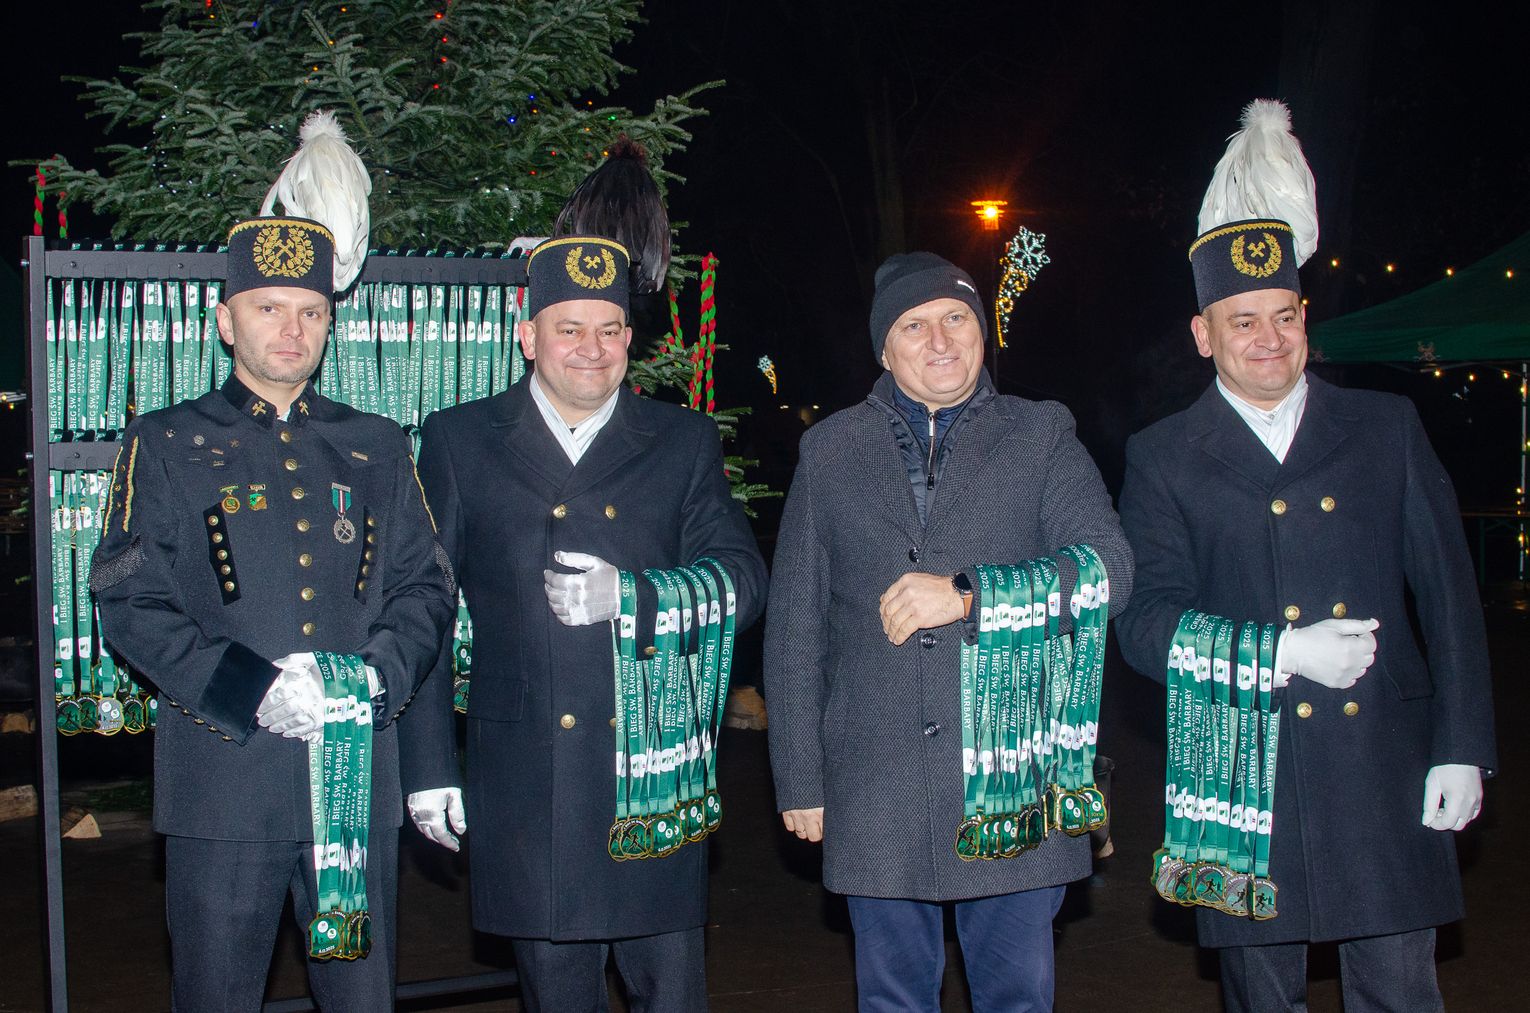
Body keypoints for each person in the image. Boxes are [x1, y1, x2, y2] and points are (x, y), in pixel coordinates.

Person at [1115, 100, 1497, 1012]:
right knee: (1263, 999)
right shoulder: (1162, 456)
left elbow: (1449, 595)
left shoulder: (1385, 427)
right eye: (1243, 320)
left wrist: (1462, 748)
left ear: (1305, 319)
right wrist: (1279, 652)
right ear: (1204, 334)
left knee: (1400, 992)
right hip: (1243, 774)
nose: (1269, 339)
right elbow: (1144, 624)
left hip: (1382, 763)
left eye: (1284, 316)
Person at [91, 216, 456, 1010]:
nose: (293, 329)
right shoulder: (166, 442)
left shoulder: (376, 445)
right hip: (224, 785)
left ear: (329, 322)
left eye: (311, 311)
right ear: (227, 322)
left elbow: (426, 589)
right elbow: (128, 598)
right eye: (269, 308)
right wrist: (252, 689)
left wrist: (368, 679)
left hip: (355, 785)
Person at [401, 234, 766, 1013]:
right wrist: (427, 765)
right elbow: (423, 605)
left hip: (650, 774)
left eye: (609, 329)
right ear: (528, 336)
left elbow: (744, 580)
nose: (591, 349)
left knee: (673, 995)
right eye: (569, 328)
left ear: (630, 337)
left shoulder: (682, 439)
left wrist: (633, 597)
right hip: (528, 777)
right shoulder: (461, 439)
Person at [764, 251, 1133, 1012]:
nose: (940, 340)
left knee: (1016, 1000)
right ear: (884, 348)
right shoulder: (829, 450)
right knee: (892, 1000)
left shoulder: (1041, 433)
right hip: (876, 784)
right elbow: (797, 625)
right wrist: (800, 776)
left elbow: (1111, 570)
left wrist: (972, 595)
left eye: (956, 318)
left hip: (1013, 780)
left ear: (980, 332)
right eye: (914, 325)